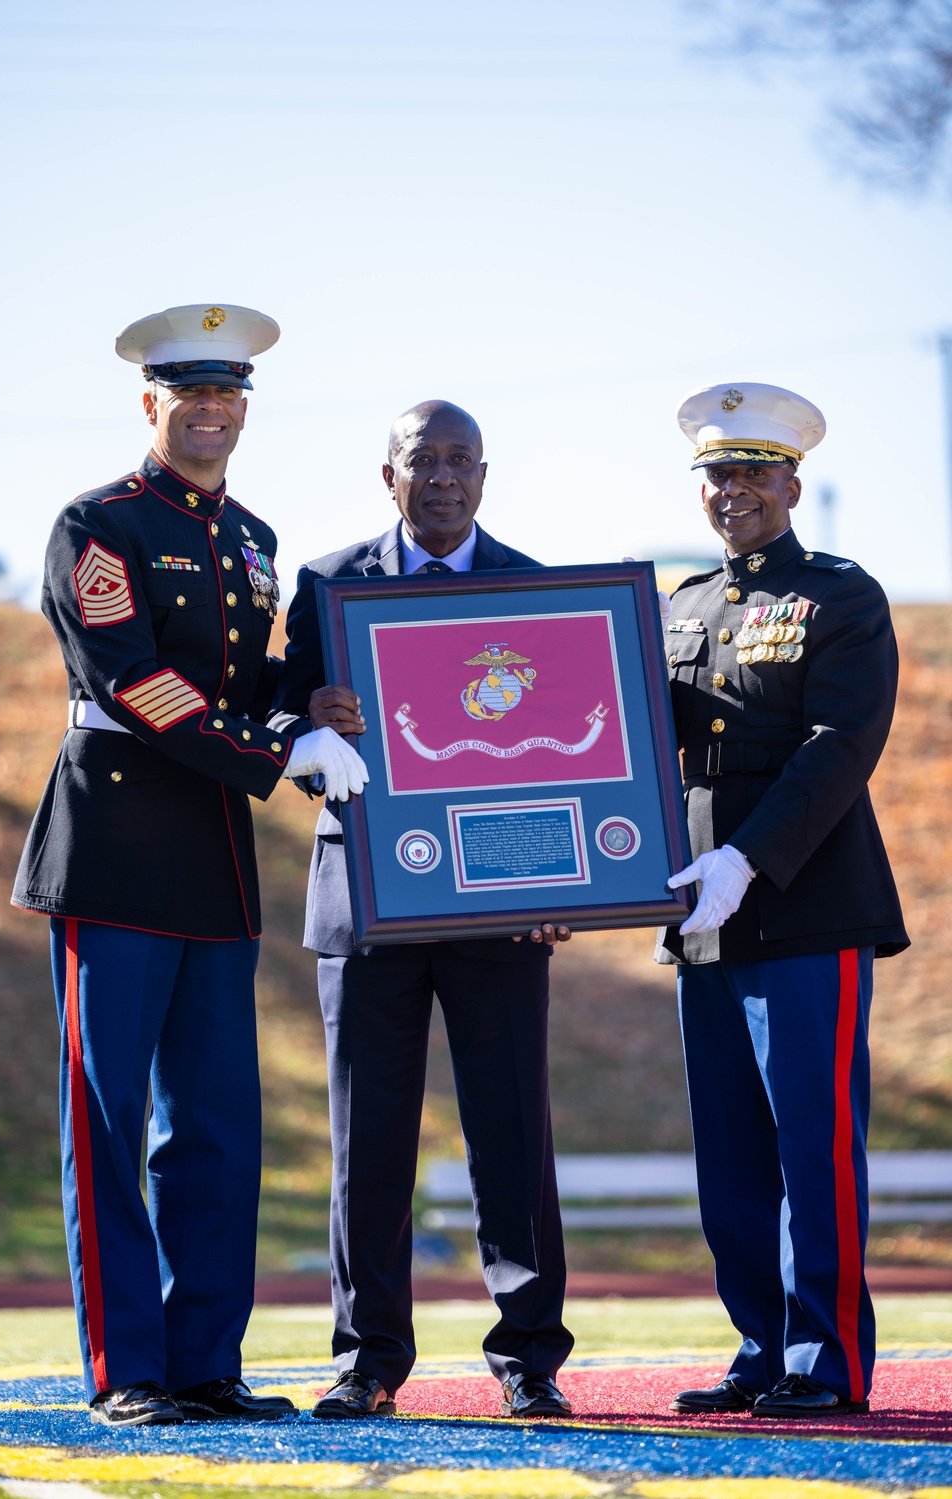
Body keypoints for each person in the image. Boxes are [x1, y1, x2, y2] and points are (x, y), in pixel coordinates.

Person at [12, 304, 368, 1427]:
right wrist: (277, 746)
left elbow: (235, 677)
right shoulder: (97, 524)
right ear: (151, 402)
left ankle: (207, 1357)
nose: (213, 411)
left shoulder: (253, 538)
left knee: (215, 1123)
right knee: (108, 1119)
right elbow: (134, 683)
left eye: (231, 395)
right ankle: (130, 1367)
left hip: (211, 855)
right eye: (192, 394)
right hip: (114, 845)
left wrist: (302, 704)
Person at [267, 399, 575, 1420]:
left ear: (483, 475)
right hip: (363, 899)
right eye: (421, 459)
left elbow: (567, 753)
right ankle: (367, 1359)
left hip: (498, 906)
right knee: (368, 1140)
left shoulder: (534, 588)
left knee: (510, 1131)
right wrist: (304, 716)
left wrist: (559, 880)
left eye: (460, 460)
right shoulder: (325, 584)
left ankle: (529, 1354)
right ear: (385, 473)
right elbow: (277, 710)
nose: (442, 476)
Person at [658, 382, 908, 1419]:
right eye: (718, 472)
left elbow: (838, 746)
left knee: (810, 1135)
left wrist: (747, 856)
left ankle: (827, 1355)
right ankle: (759, 1343)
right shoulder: (679, 606)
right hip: (701, 911)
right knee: (730, 1149)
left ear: (792, 483)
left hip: (802, 899)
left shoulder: (840, 596)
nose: (734, 490)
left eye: (754, 471)